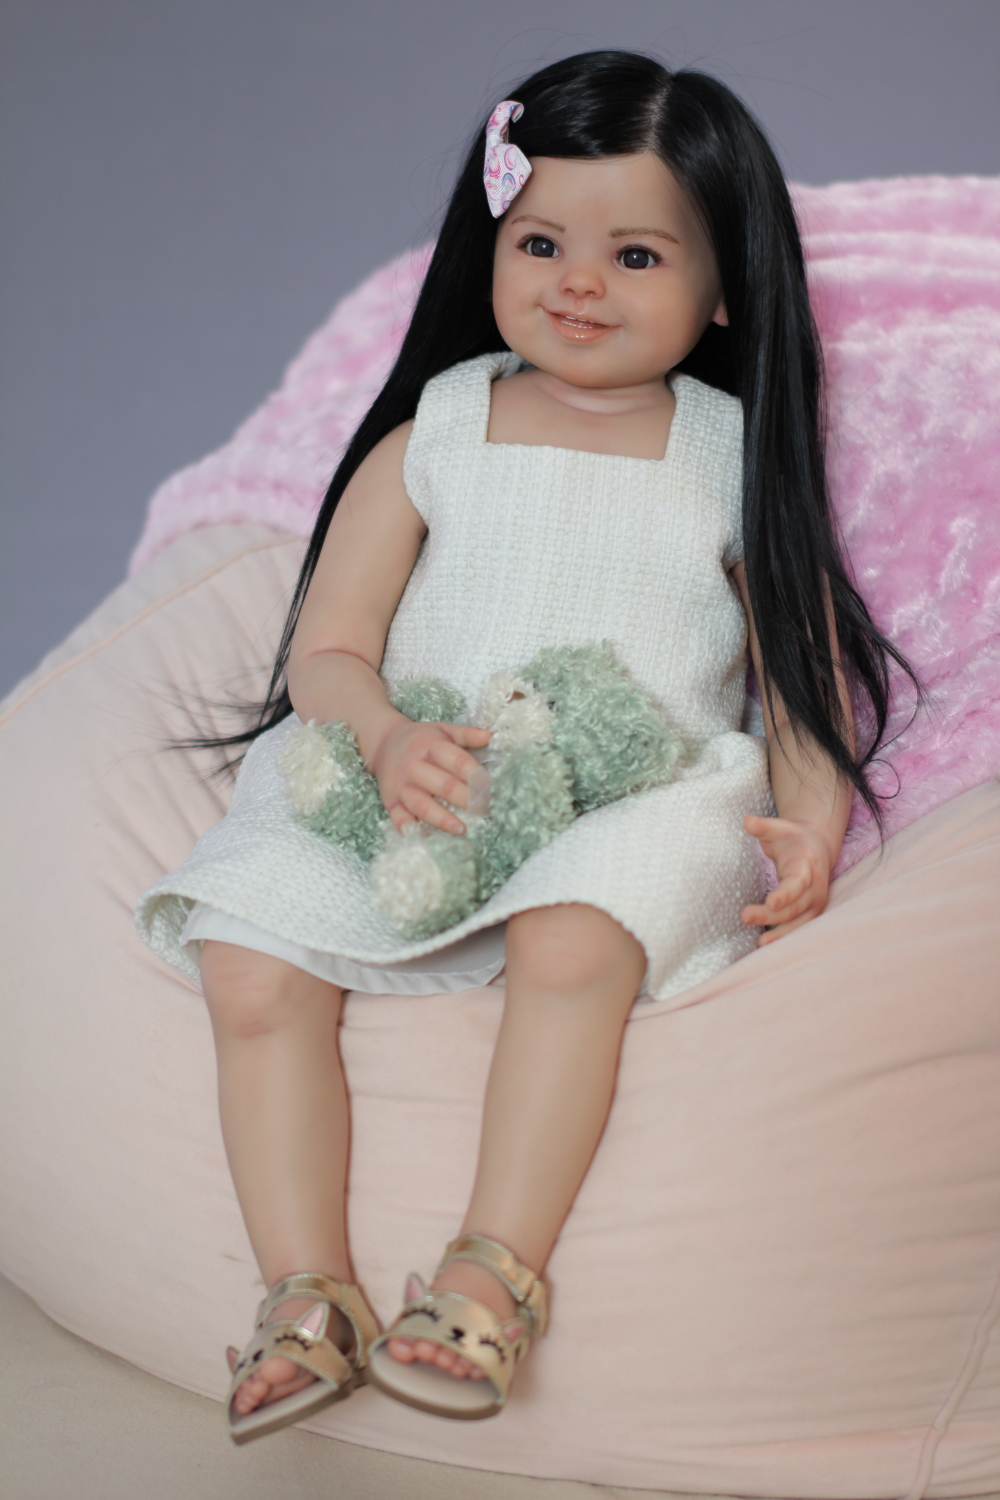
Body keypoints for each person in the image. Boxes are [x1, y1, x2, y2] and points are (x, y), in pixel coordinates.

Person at [135, 50, 911, 1441]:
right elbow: (331, 646)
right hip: (417, 782)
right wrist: (383, 738)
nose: (578, 283)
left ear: (723, 289)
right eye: (541, 243)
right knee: (248, 961)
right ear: (487, 248)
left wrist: (810, 824)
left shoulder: (728, 455)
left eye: (635, 255)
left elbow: (801, 681)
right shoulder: (434, 435)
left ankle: (488, 1280)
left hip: (629, 793)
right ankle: (306, 1296)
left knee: (575, 937)